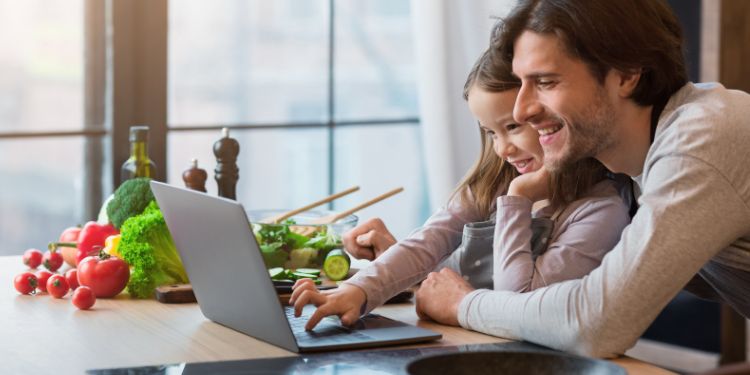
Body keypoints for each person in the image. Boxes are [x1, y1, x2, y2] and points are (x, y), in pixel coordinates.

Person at [415, 0, 750, 358]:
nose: (521, 109)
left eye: (545, 82)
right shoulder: (634, 171)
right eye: (522, 83)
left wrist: (463, 304)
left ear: (625, 74)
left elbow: (597, 323)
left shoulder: (700, 138)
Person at [289, 46, 630, 331]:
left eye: (512, 126)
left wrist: (519, 200)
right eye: (491, 133)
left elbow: (519, 303)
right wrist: (357, 290)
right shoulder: (491, 182)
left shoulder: (600, 210)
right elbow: (429, 240)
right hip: (466, 339)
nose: (502, 149)